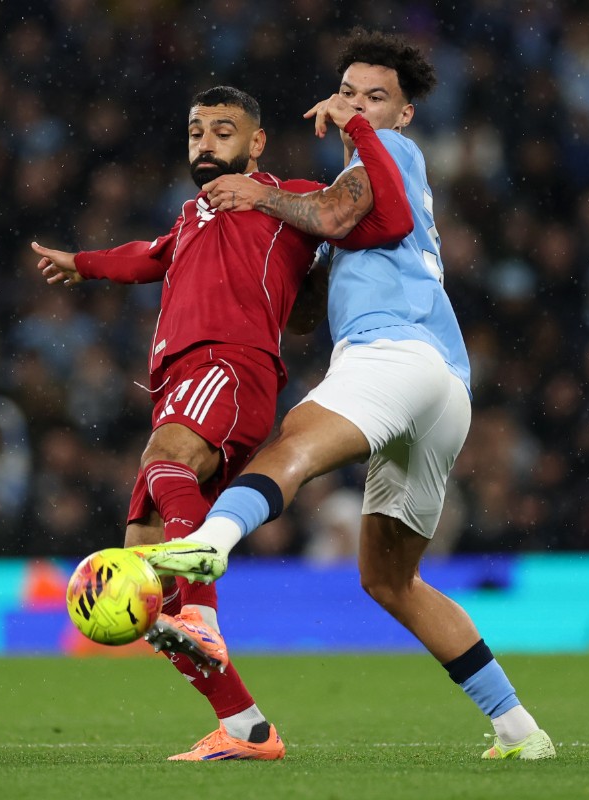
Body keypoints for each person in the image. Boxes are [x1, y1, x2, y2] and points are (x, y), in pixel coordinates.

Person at [129, 31, 557, 761]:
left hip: (394, 354)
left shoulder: (389, 155)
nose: (355, 106)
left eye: (375, 97)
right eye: (348, 92)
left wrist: (260, 194)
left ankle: (206, 546)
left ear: (403, 114)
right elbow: (306, 295)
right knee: (390, 579)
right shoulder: (352, 196)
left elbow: (333, 214)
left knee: (291, 445)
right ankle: (520, 730)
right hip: (443, 386)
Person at [30, 85, 412, 761]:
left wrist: (360, 133)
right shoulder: (193, 214)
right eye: (195, 132)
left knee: (166, 457)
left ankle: (202, 613)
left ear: (257, 142)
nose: (205, 143)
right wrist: (83, 265)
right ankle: (245, 726)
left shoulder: (286, 199)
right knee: (147, 580)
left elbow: (380, 217)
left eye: (222, 131)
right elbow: (150, 254)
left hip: (230, 364)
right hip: (180, 382)